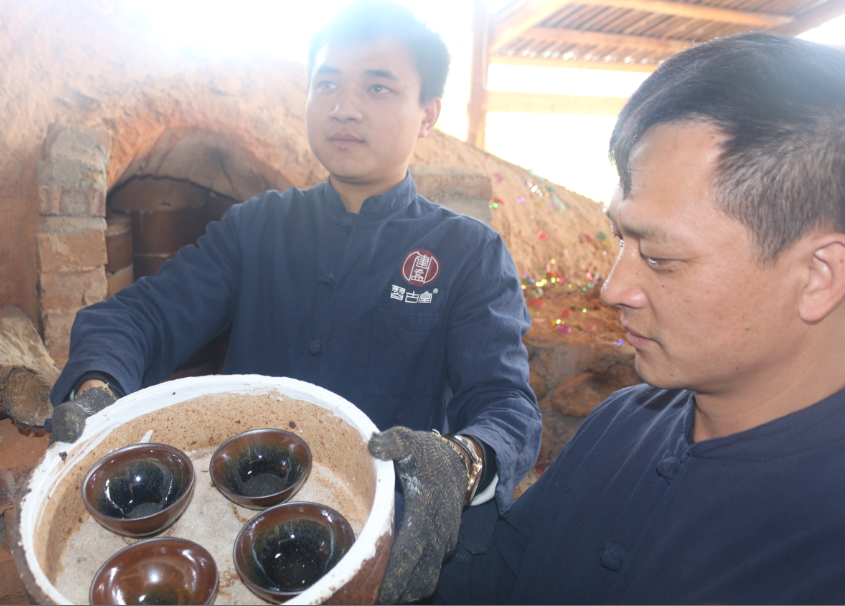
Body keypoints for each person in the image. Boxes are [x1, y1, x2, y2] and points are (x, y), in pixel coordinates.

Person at [47, 1, 541, 603]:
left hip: (379, 542)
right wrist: (97, 387)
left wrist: (460, 462)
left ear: (427, 115)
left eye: (379, 87)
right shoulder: (258, 226)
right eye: (326, 83)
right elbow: (141, 316)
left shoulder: (468, 252)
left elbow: (505, 407)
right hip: (238, 527)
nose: (344, 107)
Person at [434, 32, 845, 605]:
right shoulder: (624, 422)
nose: (613, 288)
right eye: (619, 236)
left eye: (661, 258)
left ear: (818, 276)